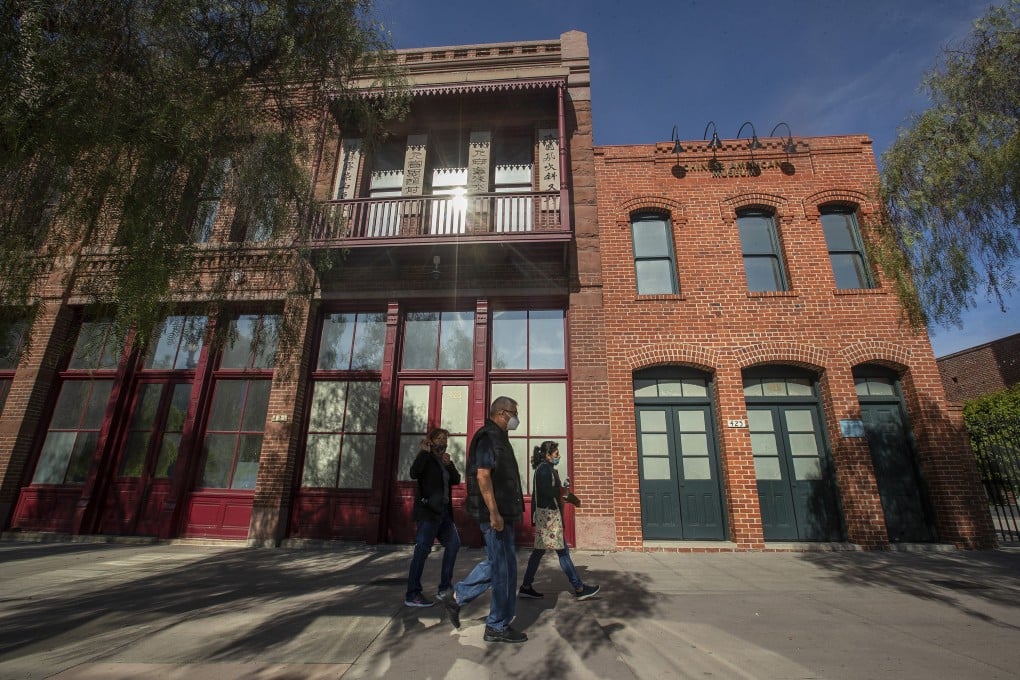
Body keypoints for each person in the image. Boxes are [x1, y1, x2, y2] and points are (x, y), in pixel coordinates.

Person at [441, 396, 527, 643]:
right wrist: (494, 512)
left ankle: (456, 598)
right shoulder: (487, 437)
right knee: (503, 570)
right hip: (495, 515)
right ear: (501, 413)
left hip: (504, 513)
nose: (516, 418)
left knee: (499, 564)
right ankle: (497, 626)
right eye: (513, 413)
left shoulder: (500, 437)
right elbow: (482, 476)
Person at [518, 441, 600, 601]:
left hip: (547, 516)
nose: (559, 456)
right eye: (556, 454)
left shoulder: (545, 469)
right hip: (549, 517)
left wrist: (563, 489)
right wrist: (568, 493)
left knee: (539, 553)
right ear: (548, 455)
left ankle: (526, 587)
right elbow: (549, 492)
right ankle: (579, 588)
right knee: (563, 553)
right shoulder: (544, 470)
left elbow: (546, 492)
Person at [404, 427, 462, 607]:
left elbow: (456, 480)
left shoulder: (443, 461)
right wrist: (423, 452)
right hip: (429, 513)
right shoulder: (426, 458)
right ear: (431, 440)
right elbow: (414, 473)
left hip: (444, 514)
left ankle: (444, 588)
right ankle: (412, 594)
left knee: (454, 544)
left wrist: (449, 464)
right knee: (422, 550)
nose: (443, 442)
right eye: (439, 438)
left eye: (445, 439)